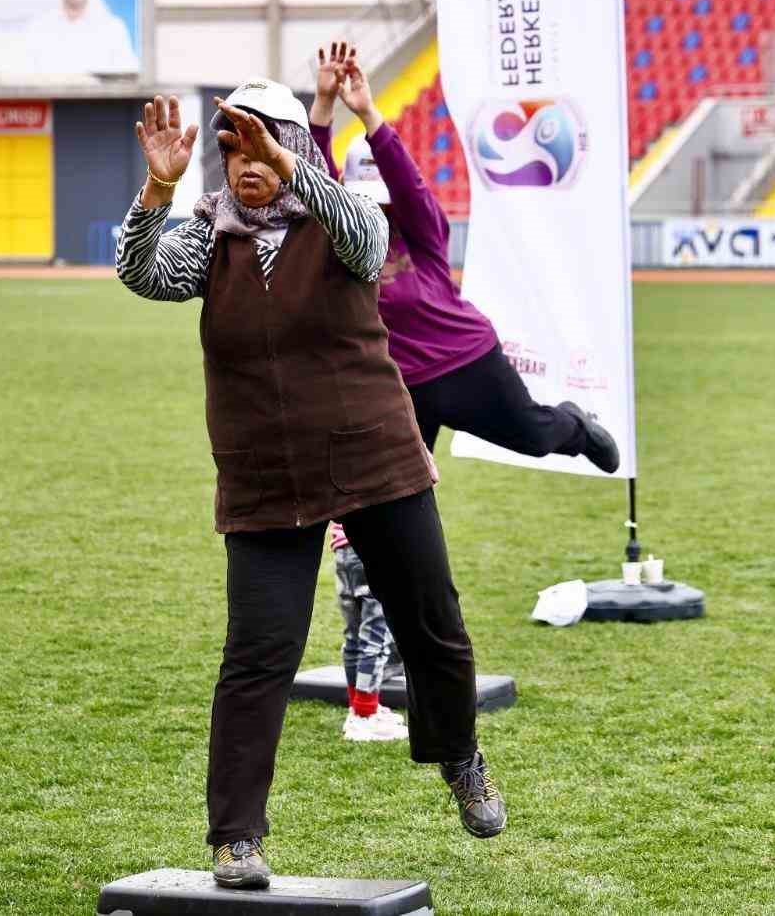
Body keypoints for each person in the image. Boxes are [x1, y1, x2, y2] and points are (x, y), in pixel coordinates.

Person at [115, 81, 506, 891]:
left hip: (372, 454)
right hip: (265, 470)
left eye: (255, 143)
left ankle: (460, 754)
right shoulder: (209, 232)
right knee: (257, 654)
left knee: (433, 625)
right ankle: (236, 839)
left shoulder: (342, 215)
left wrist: (293, 165)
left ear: (289, 145)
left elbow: (368, 237)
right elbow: (143, 274)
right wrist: (157, 188)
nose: (241, 161)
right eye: (229, 147)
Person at [307, 41, 622, 466]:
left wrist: (367, 114)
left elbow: (408, 184)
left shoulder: (421, 229)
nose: (374, 206)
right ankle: (359, 534)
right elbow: (314, 182)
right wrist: (323, 106)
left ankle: (575, 426)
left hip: (464, 361)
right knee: (393, 485)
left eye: (381, 198)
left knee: (534, 436)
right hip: (396, 383)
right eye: (362, 197)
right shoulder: (340, 235)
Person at [329, 520, 408, 741]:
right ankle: (365, 715)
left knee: (354, 636)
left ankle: (358, 710)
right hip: (373, 548)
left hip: (343, 551)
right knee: (376, 635)